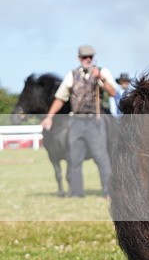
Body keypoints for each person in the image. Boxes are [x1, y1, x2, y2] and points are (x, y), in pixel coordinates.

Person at [41, 44, 118, 198]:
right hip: (75, 121)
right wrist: (49, 116)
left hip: (95, 121)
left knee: (101, 157)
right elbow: (60, 98)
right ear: (79, 58)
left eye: (90, 56)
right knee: (74, 158)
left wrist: (100, 78)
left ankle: (109, 192)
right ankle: (76, 193)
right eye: (84, 57)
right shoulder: (72, 75)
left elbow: (113, 93)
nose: (88, 59)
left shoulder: (102, 72)